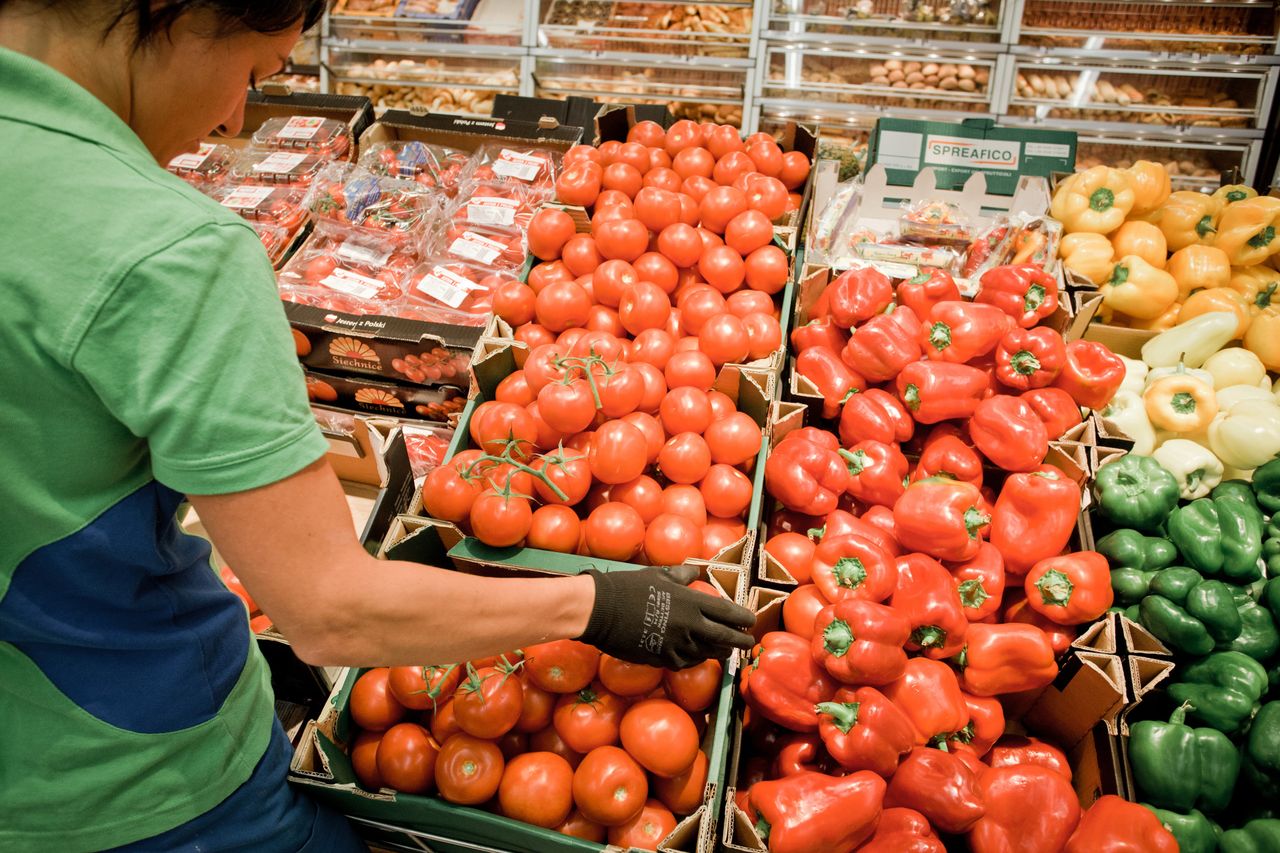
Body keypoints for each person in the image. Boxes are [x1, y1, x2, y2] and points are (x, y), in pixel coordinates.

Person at [0, 2, 757, 851]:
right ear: (182, 12)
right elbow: (329, 610)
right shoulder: (165, 250)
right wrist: (595, 604)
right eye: (256, 74)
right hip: (141, 783)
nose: (234, 118)